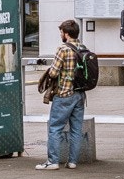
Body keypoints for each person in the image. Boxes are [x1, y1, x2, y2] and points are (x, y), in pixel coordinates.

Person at [36, 18, 88, 170]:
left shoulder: (63, 49)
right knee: (76, 129)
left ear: (66, 34)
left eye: (61, 32)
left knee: (55, 127)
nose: (60, 34)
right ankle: (72, 161)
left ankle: (52, 161)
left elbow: (53, 73)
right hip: (80, 94)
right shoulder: (83, 48)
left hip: (64, 94)